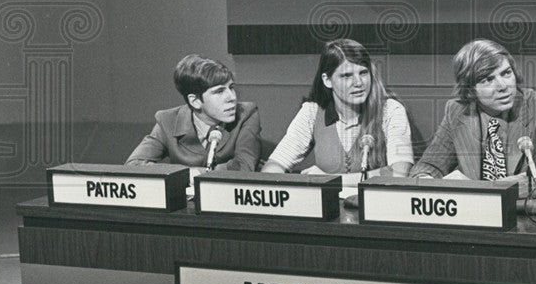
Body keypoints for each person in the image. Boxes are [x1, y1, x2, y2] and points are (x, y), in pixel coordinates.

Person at [410, 39, 536, 195]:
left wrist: (482, 189)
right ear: (470, 89)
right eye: (488, 80)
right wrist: (428, 181)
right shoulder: (457, 111)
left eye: (506, 73)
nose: (503, 86)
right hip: (474, 216)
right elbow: (429, 165)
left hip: (526, 217)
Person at [262, 39, 413, 185]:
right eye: (347, 76)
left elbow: (400, 172)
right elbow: (275, 165)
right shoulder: (312, 112)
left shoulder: (390, 110)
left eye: (363, 73)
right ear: (327, 80)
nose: (358, 83)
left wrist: (331, 180)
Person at [126, 54, 261, 172]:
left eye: (231, 88)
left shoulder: (246, 114)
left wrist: (197, 174)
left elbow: (244, 167)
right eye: (220, 91)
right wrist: (189, 173)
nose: (232, 97)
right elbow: (134, 165)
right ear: (195, 101)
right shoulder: (168, 121)